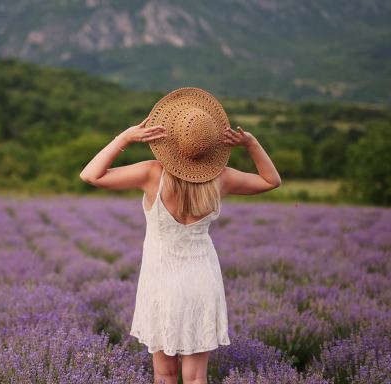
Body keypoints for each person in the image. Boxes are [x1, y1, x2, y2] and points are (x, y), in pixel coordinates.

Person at [79, 87, 282, 384]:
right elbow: (271, 180)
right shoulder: (222, 178)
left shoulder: (151, 174)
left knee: (164, 374)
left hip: (161, 282)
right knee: (197, 377)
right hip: (202, 280)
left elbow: (90, 175)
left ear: (171, 142)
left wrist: (124, 137)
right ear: (209, 145)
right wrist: (251, 143)